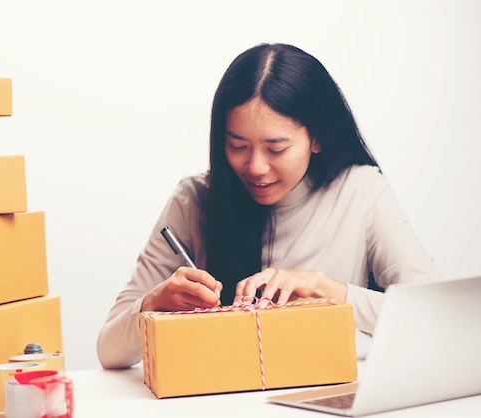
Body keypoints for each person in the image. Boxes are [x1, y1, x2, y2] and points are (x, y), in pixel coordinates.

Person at [96, 43, 442, 369]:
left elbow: (435, 316)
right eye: (237, 146)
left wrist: (326, 288)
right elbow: (109, 351)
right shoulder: (195, 199)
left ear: (317, 138)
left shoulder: (360, 190)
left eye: (276, 149)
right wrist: (154, 303)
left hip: (322, 392)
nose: (256, 167)